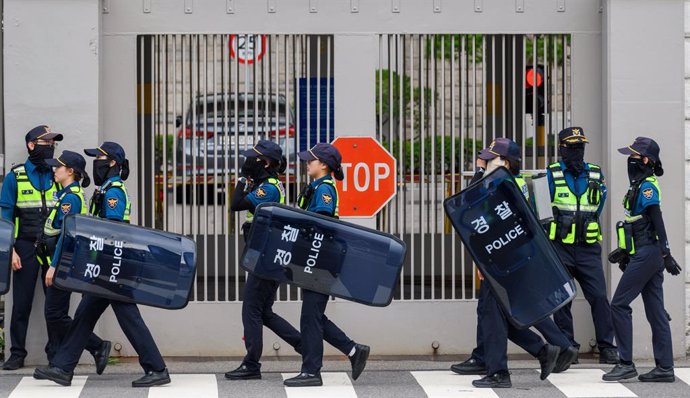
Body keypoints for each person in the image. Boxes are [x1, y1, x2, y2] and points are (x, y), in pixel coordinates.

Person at [33, 142, 170, 388]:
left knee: (128, 318)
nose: (96, 162)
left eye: (100, 158)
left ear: (112, 163)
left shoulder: (114, 192)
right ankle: (63, 368)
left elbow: (112, 231)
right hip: (108, 265)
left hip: (113, 265)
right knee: (85, 315)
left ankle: (157, 368)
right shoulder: (106, 189)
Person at [455, 138, 574, 389]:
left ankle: (501, 371)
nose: (486, 162)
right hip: (509, 258)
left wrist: (480, 172)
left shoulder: (502, 185)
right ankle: (545, 352)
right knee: (502, 316)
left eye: (491, 159)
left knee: (492, 315)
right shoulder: (508, 183)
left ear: (505, 162)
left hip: (504, 261)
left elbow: (469, 202)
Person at [283, 142, 370, 387]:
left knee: (310, 317)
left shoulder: (324, 191)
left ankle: (312, 371)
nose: (306, 163)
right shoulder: (317, 187)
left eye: (310, 160)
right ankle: (353, 351)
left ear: (323, 165)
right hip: (314, 259)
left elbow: (319, 222)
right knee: (313, 315)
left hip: (319, 260)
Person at [603, 137, 679, 382]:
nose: (630, 160)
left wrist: (666, 253)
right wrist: (626, 252)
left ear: (645, 160)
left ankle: (625, 363)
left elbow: (656, 220)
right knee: (655, 310)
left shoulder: (647, 186)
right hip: (644, 252)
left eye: (634, 156)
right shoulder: (638, 184)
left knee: (619, 304)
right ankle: (665, 368)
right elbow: (637, 224)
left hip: (649, 253)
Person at [225, 140, 302, 380]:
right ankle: (305, 347)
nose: (249, 162)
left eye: (254, 159)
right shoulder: (267, 184)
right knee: (264, 311)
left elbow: (236, 204)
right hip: (265, 253)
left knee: (251, 308)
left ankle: (251, 365)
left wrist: (241, 180)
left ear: (266, 162)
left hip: (265, 255)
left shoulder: (268, 187)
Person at [547, 127, 618, 364]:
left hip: (588, 248)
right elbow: (542, 210)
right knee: (562, 300)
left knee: (598, 297)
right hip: (559, 247)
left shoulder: (596, 174)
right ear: (561, 148)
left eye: (581, 147)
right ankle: (569, 348)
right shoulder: (551, 174)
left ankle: (607, 347)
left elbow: (598, 206)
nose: (577, 151)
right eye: (572, 147)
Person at [40, 150, 111, 373]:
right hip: (58, 262)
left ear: (70, 172)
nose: (54, 170)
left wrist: (54, 266)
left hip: (63, 264)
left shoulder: (71, 198)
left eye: (58, 167)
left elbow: (66, 235)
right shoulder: (66, 195)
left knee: (55, 314)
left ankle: (96, 346)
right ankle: (56, 360)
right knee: (55, 314)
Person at [0, 126, 62, 370]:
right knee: (22, 302)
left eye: (53, 142)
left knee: (55, 304)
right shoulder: (15, 176)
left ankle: (55, 353)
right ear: (31, 145)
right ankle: (17, 353)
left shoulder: (58, 174)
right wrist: (10, 250)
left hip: (52, 248)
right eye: (45, 142)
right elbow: (5, 217)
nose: (51, 146)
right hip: (24, 247)